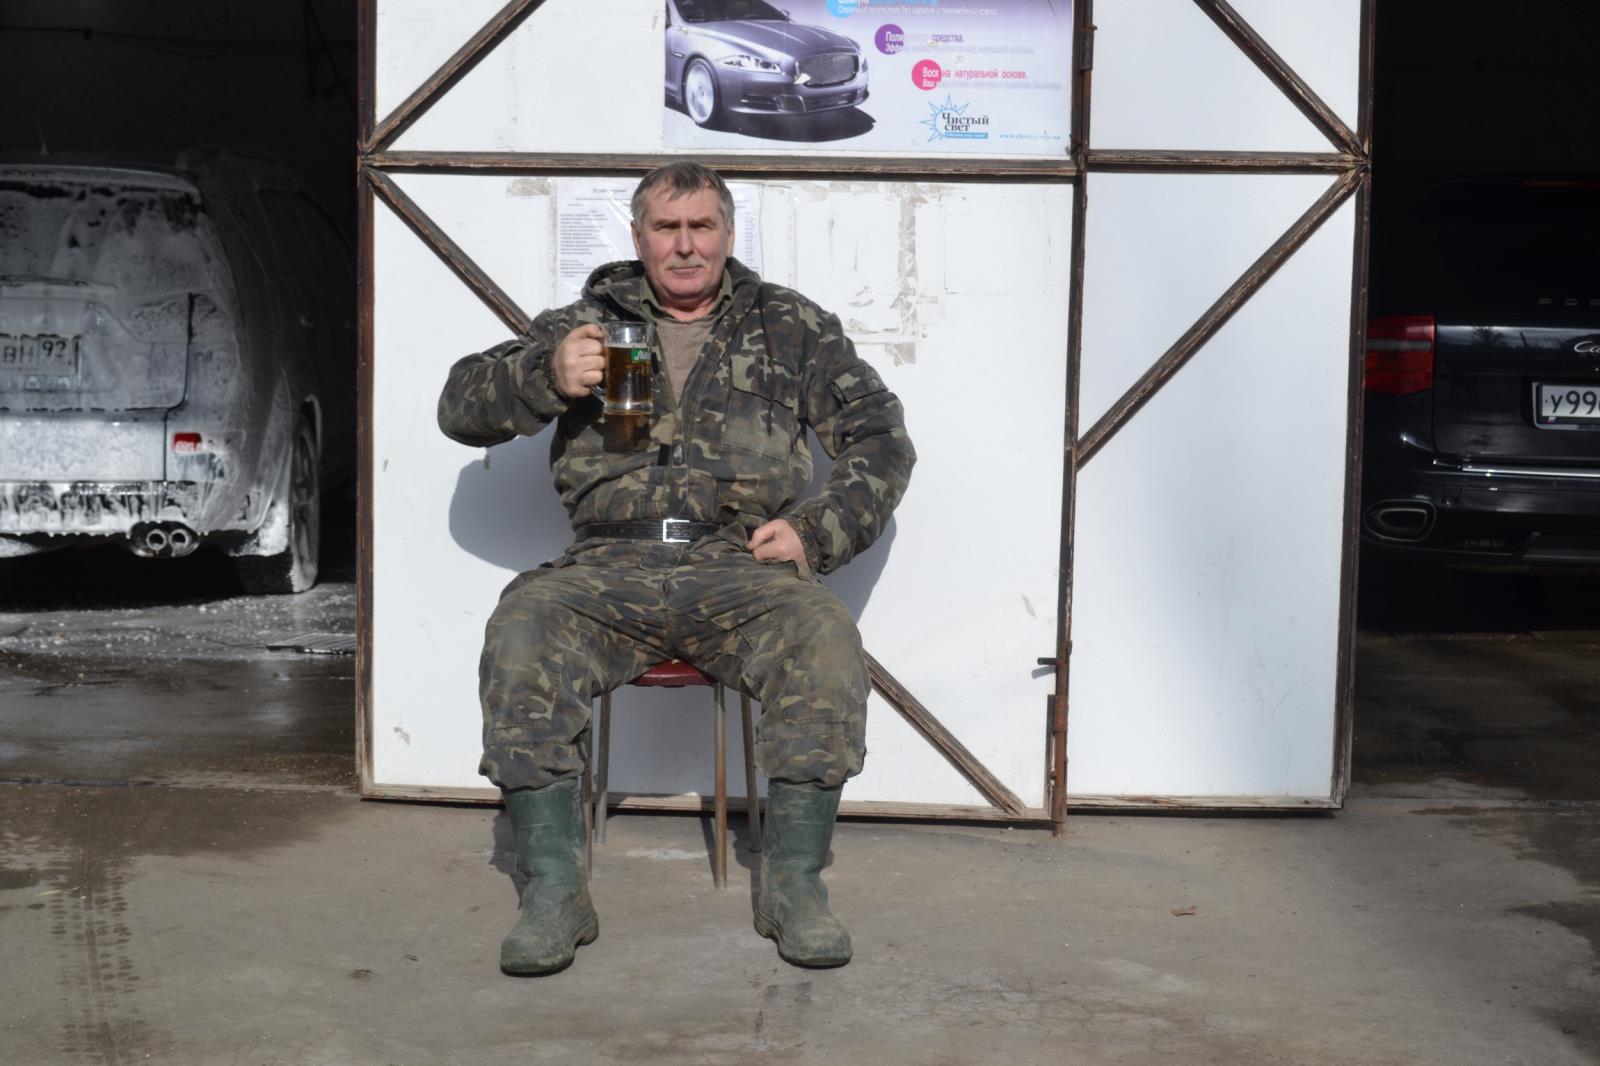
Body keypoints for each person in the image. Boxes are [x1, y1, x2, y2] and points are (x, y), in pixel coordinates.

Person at [437, 162, 915, 975]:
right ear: (639, 237)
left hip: (735, 566)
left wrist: (816, 531)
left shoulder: (790, 327)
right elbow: (459, 405)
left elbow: (881, 435)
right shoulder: (585, 322)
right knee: (522, 631)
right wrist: (544, 375)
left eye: (702, 227)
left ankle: (794, 886)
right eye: (667, 228)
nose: (686, 246)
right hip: (606, 563)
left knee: (823, 637)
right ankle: (555, 890)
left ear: (727, 234)